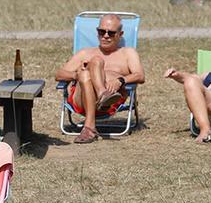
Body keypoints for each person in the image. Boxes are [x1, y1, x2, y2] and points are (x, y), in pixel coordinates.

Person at [55, 13, 146, 144]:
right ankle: (103, 94)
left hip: (111, 103)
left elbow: (140, 75)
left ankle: (89, 128)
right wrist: (77, 75)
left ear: (120, 35)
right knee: (92, 65)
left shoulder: (128, 53)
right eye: (101, 31)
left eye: (111, 33)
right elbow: (59, 74)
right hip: (82, 101)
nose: (105, 36)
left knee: (91, 68)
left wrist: (121, 80)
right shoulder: (86, 52)